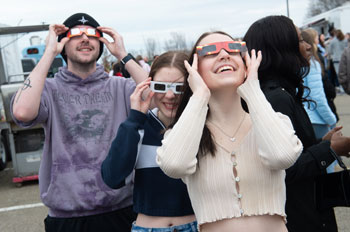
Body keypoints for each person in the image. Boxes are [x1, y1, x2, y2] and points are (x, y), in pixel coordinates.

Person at [11, 13, 148, 232]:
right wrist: (48, 53)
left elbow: (160, 98)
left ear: (101, 44)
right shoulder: (49, 88)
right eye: (75, 34)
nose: (85, 38)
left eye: (93, 34)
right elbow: (22, 112)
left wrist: (123, 54)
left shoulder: (120, 87)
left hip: (121, 209)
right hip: (66, 216)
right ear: (63, 44)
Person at [156, 31, 303, 232]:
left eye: (233, 48)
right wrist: (199, 96)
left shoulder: (275, 121)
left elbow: (283, 156)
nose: (224, 54)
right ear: (194, 69)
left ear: (246, 62)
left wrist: (252, 88)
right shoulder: (185, 134)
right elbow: (173, 165)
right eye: (209, 51)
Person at [243, 15, 350, 232]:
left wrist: (322, 142)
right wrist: (329, 149)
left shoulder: (280, 92)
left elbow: (293, 150)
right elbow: (285, 170)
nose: (308, 46)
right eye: (300, 40)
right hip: (298, 215)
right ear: (282, 48)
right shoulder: (275, 98)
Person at [101, 51, 198, 232]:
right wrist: (134, 119)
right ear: (149, 85)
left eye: (179, 87)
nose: (169, 95)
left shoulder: (202, 125)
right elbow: (113, 178)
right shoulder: (138, 125)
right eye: (160, 86)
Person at [301, 29, 337, 139]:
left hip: (304, 117)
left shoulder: (295, 64)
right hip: (316, 119)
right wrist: (331, 119)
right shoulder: (311, 63)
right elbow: (317, 97)